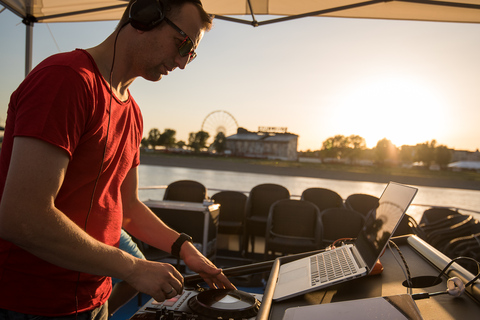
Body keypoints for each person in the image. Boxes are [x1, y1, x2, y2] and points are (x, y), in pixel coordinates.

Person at [0, 0, 234, 319]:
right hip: (30, 304)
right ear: (145, 16)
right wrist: (134, 268)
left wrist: (186, 250)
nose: (182, 63)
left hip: (92, 299)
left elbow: (128, 209)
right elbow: (21, 216)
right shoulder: (66, 80)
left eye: (191, 54)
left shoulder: (133, 114)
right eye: (183, 44)